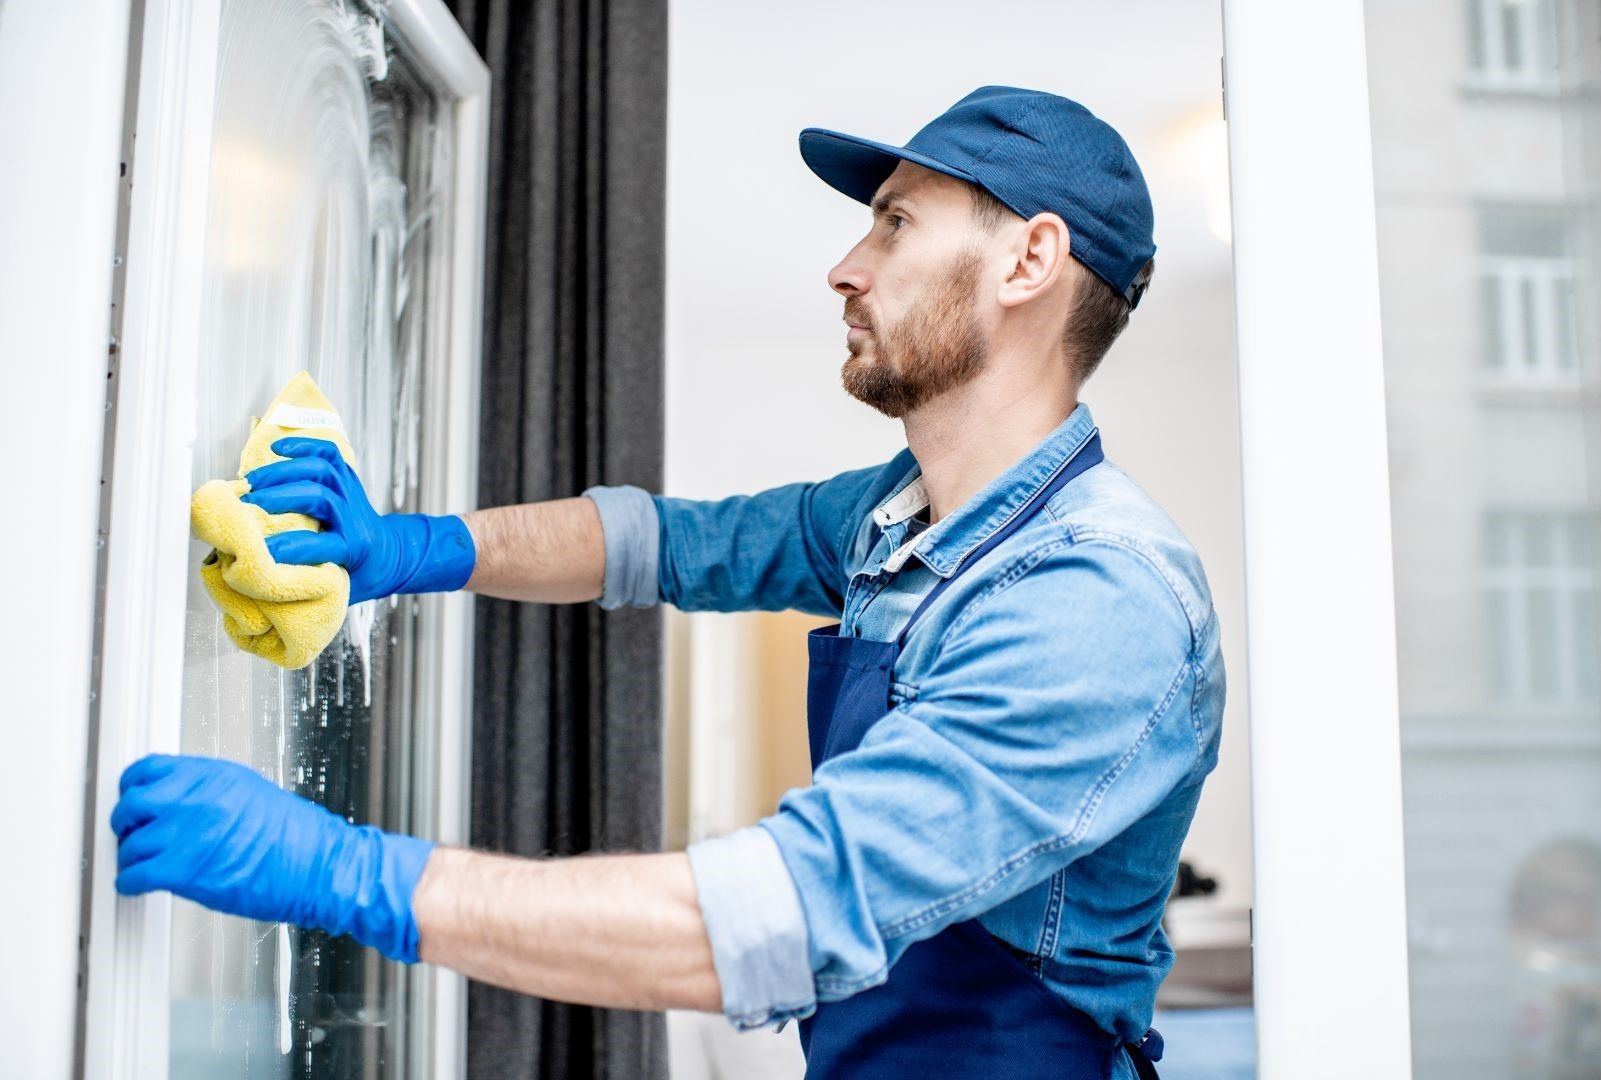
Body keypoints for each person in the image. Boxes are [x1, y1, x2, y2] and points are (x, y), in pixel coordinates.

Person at [112, 86, 1221, 1079]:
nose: (845, 265)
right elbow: (660, 544)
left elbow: (789, 909)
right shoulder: (898, 514)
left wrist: (341, 873)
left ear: (1028, 261)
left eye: (893, 222)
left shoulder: (1094, 594)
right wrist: (410, 546)